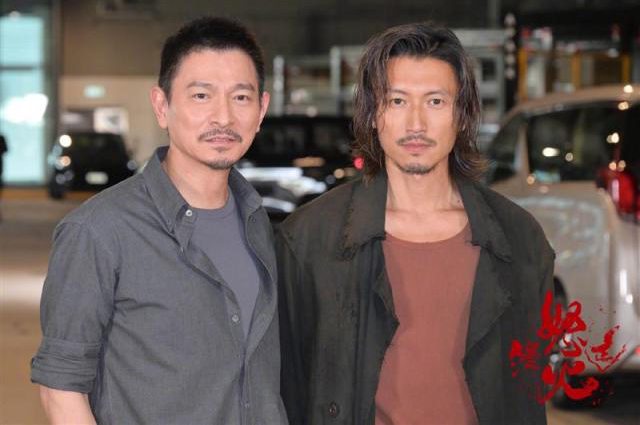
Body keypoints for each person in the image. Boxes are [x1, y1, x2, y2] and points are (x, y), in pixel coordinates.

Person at [277, 22, 554, 425]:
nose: (416, 124)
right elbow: (289, 387)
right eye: (397, 101)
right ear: (373, 114)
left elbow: (527, 392)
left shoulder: (520, 240)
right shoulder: (309, 240)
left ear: (462, 116)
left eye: (436, 101)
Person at [31, 17, 288, 424]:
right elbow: (60, 389)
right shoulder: (99, 231)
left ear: (262, 110)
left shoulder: (260, 223)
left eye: (241, 97)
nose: (223, 117)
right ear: (162, 106)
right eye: (201, 95)